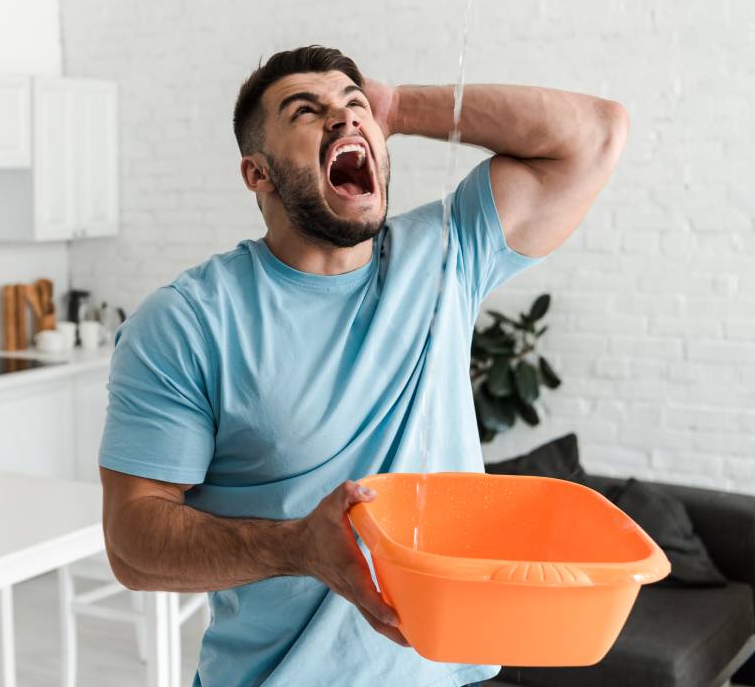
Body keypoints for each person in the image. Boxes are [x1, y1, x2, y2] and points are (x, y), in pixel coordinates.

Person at [98, 45, 628, 686]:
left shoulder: (445, 256)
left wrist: (399, 105)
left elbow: (595, 136)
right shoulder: (186, 323)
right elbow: (133, 543)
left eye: (354, 107)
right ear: (257, 174)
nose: (344, 120)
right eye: (307, 111)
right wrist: (298, 548)